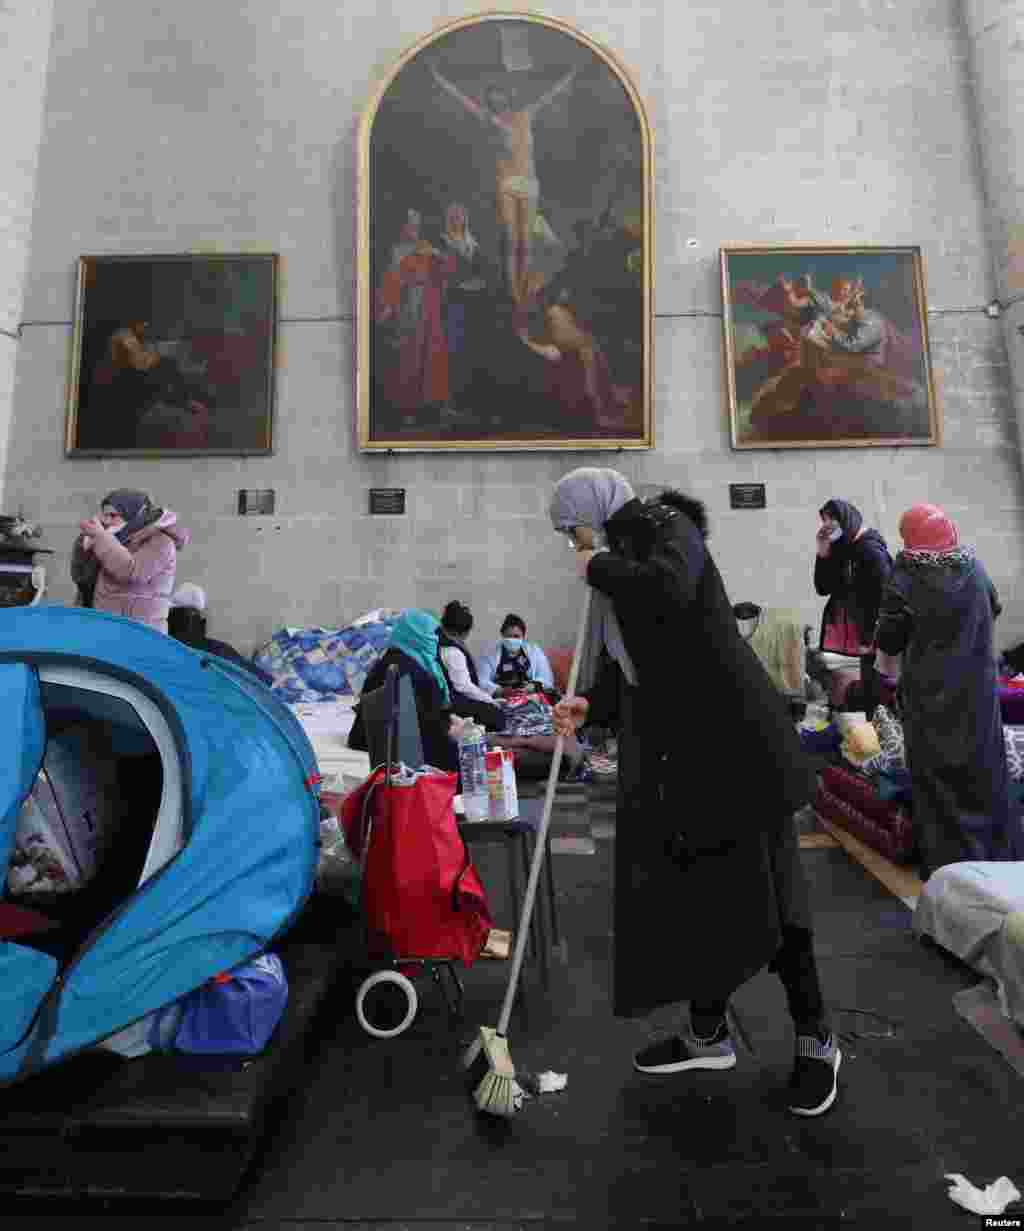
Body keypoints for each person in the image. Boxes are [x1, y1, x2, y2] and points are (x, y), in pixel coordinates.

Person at [548, 467, 840, 1117]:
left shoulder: (662, 527)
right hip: (689, 758)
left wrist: (598, 566)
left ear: (595, 512)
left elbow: (671, 586)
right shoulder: (622, 560)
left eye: (573, 529)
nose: (573, 544)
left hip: (739, 749)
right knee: (698, 889)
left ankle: (818, 1039)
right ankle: (708, 1033)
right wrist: (587, 703)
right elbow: (638, 672)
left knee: (774, 891)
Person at [874, 504, 1017, 875]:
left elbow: (889, 639)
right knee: (984, 778)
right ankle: (998, 862)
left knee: (938, 789)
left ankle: (949, 870)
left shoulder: (906, 576)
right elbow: (995, 607)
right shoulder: (975, 567)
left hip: (930, 701)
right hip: (979, 697)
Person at [429, 62, 576, 309]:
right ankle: (514, 294)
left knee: (526, 240)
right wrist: (442, 82)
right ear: (490, 101)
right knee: (511, 237)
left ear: (506, 97)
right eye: (491, 97)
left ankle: (526, 292)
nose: (496, 99)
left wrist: (569, 77)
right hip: (506, 182)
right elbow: (463, 100)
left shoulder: (526, 114)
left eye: (499, 94)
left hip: (528, 182)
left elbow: (550, 96)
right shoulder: (487, 119)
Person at [348, 609, 459, 773]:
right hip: (393, 741)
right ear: (415, 635)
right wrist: (450, 731)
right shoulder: (405, 667)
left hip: (392, 735)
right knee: (460, 759)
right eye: (430, 634)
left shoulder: (407, 659)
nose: (434, 639)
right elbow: (417, 721)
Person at [814, 499, 893, 719]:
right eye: (826, 525)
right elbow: (823, 587)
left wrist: (871, 639)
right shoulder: (844, 549)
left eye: (833, 525)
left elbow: (885, 599)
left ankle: (876, 742)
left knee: (874, 699)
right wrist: (823, 552)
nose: (830, 530)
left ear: (846, 521)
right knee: (858, 698)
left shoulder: (870, 551)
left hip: (871, 641)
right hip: (852, 638)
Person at [74, 489, 190, 633]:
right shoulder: (113, 539)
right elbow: (82, 578)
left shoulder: (161, 542)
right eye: (104, 515)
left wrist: (100, 537)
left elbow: (131, 572)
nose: (107, 521)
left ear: (134, 515)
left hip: (141, 634)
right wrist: (84, 545)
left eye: (113, 515)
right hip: (107, 630)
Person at [437, 600, 506, 732]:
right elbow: (464, 686)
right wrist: (490, 701)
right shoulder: (452, 651)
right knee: (497, 716)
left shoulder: (439, 641)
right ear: (463, 632)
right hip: (452, 701)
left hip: (448, 697)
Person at [478, 613, 555, 697]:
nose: (512, 640)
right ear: (502, 635)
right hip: (501, 698)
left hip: (529, 696)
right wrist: (501, 691)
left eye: (516, 636)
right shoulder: (489, 653)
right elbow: (482, 681)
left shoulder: (534, 651)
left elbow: (546, 677)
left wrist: (531, 687)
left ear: (524, 636)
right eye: (508, 636)